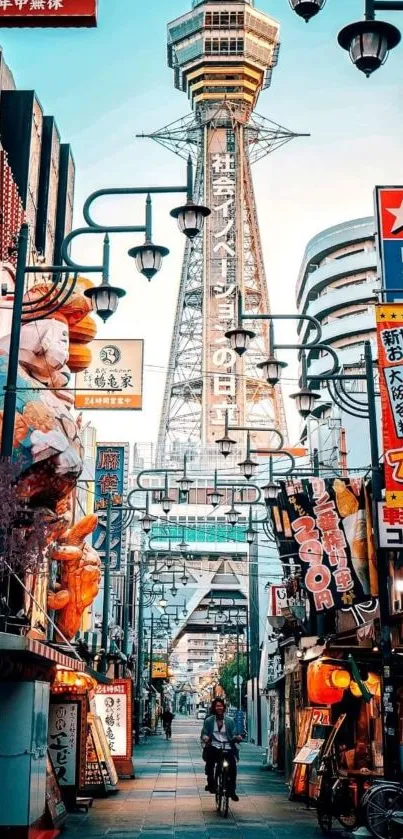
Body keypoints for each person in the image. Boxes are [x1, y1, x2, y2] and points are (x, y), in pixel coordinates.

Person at [201, 698, 242, 802]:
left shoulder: (229, 721)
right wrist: (205, 738)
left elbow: (234, 733)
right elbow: (204, 733)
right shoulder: (209, 720)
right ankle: (211, 783)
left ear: (224, 707)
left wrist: (237, 738)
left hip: (227, 746)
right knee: (210, 764)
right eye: (217, 706)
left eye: (221, 706)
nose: (219, 708)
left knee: (232, 767)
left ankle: (232, 791)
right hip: (214, 746)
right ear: (214, 708)